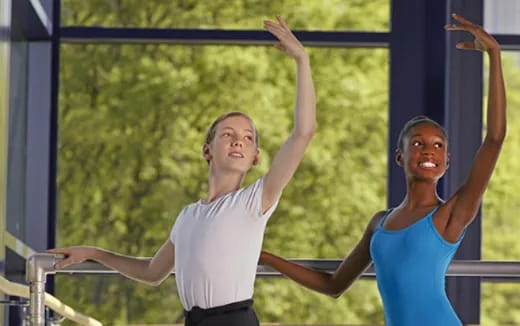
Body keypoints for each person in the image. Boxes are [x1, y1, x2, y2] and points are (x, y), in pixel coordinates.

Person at [47, 16, 316, 326]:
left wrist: (302, 59)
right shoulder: (188, 216)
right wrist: (95, 253)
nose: (238, 141)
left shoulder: (255, 201)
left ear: (255, 157)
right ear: (207, 150)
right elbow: (152, 273)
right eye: (228, 134)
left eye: (247, 137)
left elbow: (303, 132)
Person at [260, 13, 505, 326]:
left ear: (447, 162)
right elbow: (332, 286)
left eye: (438, 145)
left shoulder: (451, 215)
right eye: (417, 143)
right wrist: (263, 257)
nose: (429, 149)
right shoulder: (379, 222)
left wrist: (494, 55)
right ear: (400, 157)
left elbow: (495, 139)